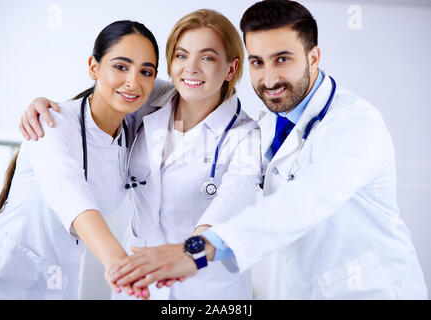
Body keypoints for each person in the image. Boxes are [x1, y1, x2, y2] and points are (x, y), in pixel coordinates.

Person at [107, 0, 428, 300]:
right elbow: (119, 92)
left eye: (282, 59)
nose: (269, 77)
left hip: (373, 291)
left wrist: (195, 249)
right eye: (258, 62)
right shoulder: (275, 121)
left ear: (313, 58)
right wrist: (63, 110)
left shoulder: (355, 124)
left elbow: (304, 200)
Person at [18, 9, 261, 300]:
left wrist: (188, 256)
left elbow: (226, 210)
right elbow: (106, 94)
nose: (191, 68)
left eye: (207, 58)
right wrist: (45, 103)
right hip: (138, 283)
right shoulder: (151, 97)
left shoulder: (247, 136)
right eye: (181, 55)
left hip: (206, 287)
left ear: (231, 69)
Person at [0, 20, 160, 299]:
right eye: (121, 66)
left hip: (57, 284)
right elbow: (69, 192)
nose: (133, 81)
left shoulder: (132, 128)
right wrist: (120, 263)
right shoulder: (51, 124)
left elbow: (186, 91)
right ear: (93, 67)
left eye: (145, 71)